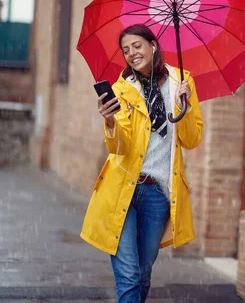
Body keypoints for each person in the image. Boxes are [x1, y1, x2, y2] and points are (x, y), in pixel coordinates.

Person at [80, 24, 204, 303]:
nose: (132, 53)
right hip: (121, 189)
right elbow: (119, 147)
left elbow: (193, 139)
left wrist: (182, 104)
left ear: (153, 45)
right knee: (128, 276)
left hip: (157, 194)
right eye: (125, 50)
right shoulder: (122, 90)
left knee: (144, 273)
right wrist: (110, 120)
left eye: (137, 46)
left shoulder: (182, 82)